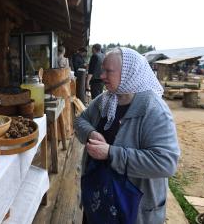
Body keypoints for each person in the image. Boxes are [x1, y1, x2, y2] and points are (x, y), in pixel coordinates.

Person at [75, 47, 180, 224]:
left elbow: (166, 163)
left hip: (132, 211)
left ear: (129, 73)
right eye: (103, 70)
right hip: (98, 199)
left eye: (108, 71)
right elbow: (80, 121)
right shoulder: (106, 99)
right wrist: (91, 132)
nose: (101, 76)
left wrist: (110, 153)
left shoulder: (154, 110)